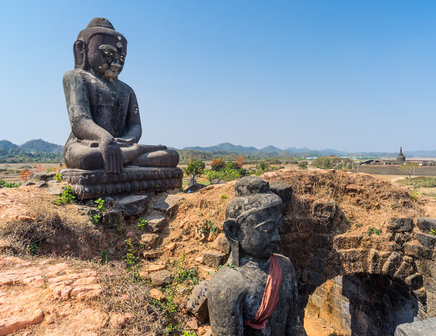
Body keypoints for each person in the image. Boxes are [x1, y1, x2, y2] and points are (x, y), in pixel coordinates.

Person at [63, 17, 179, 173]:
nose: (117, 63)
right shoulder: (76, 77)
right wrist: (104, 137)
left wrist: (128, 141)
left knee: (170, 156)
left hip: (123, 145)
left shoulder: (127, 90)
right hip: (87, 145)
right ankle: (129, 156)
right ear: (81, 50)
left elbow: (135, 125)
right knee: (87, 158)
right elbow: (79, 121)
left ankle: (125, 155)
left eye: (122, 57)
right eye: (108, 54)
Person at [207, 176, 306, 335]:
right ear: (234, 231)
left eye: (277, 228)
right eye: (267, 229)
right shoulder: (226, 285)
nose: (277, 237)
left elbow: (294, 326)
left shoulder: (285, 267)